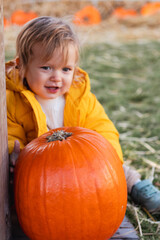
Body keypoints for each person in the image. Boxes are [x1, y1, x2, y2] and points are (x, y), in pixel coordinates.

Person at [7, 16, 160, 215]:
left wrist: (105, 157)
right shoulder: (13, 101)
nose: (57, 77)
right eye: (46, 67)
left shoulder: (80, 98)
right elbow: (11, 136)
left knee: (120, 172)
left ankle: (138, 187)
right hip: (42, 175)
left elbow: (102, 127)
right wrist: (16, 155)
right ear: (22, 66)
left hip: (84, 169)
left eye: (66, 69)